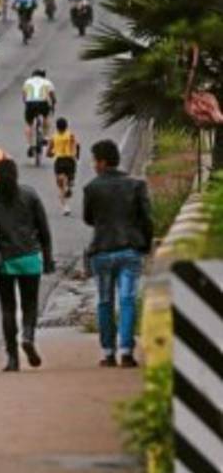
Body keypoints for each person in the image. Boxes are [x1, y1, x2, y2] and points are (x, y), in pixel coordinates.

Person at [0, 161, 54, 372]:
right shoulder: (30, 195)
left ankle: (12, 358)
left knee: (8, 308)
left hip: (4, 263)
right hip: (30, 259)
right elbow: (44, 230)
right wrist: (47, 259)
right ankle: (28, 335)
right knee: (30, 304)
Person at [83, 139, 152, 368]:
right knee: (128, 300)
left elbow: (88, 218)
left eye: (94, 161)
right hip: (130, 249)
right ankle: (126, 351)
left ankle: (108, 352)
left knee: (105, 301)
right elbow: (147, 219)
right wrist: (145, 245)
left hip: (102, 251)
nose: (94, 165)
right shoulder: (136, 185)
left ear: (102, 162)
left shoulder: (91, 188)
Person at [48, 117, 80, 214]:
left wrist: (51, 153)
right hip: (70, 160)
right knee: (69, 178)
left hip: (59, 161)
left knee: (60, 185)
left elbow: (49, 152)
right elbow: (77, 145)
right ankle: (69, 185)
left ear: (57, 127)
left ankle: (65, 206)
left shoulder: (53, 137)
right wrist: (77, 155)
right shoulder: (71, 135)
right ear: (66, 126)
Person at [22, 68, 56, 155]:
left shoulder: (27, 82)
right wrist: (53, 105)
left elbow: (24, 96)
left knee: (29, 124)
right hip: (42, 103)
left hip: (30, 104)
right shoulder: (47, 82)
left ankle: (30, 145)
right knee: (46, 117)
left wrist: (27, 105)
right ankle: (45, 137)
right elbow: (52, 96)